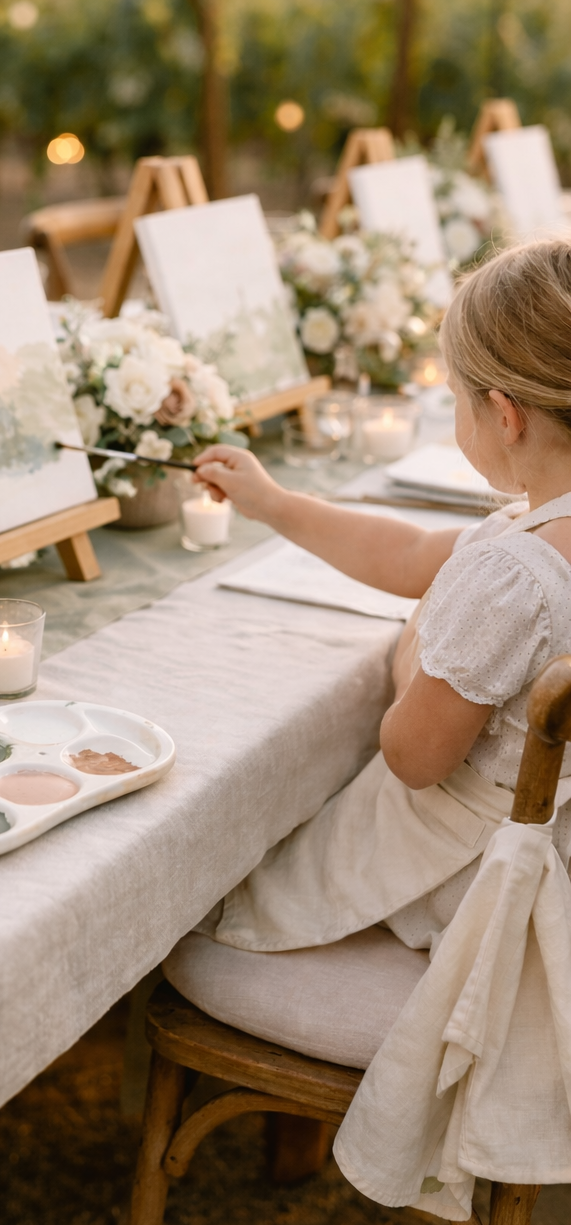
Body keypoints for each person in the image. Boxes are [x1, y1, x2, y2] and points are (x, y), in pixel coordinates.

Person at [190, 238, 571, 956]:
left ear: (505, 415)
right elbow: (410, 554)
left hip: (480, 874)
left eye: (455, 399)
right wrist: (274, 503)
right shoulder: (540, 528)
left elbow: (413, 757)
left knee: (236, 887)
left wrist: (416, 646)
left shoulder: (513, 580)